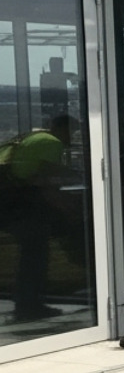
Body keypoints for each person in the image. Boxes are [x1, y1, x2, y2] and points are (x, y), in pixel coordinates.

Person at [1, 114, 74, 322]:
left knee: (30, 250)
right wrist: (67, 209)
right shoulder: (52, 143)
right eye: (73, 131)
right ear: (63, 129)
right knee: (35, 252)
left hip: (7, 198)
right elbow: (43, 180)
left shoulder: (32, 137)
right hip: (17, 203)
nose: (74, 136)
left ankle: (27, 303)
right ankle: (29, 305)